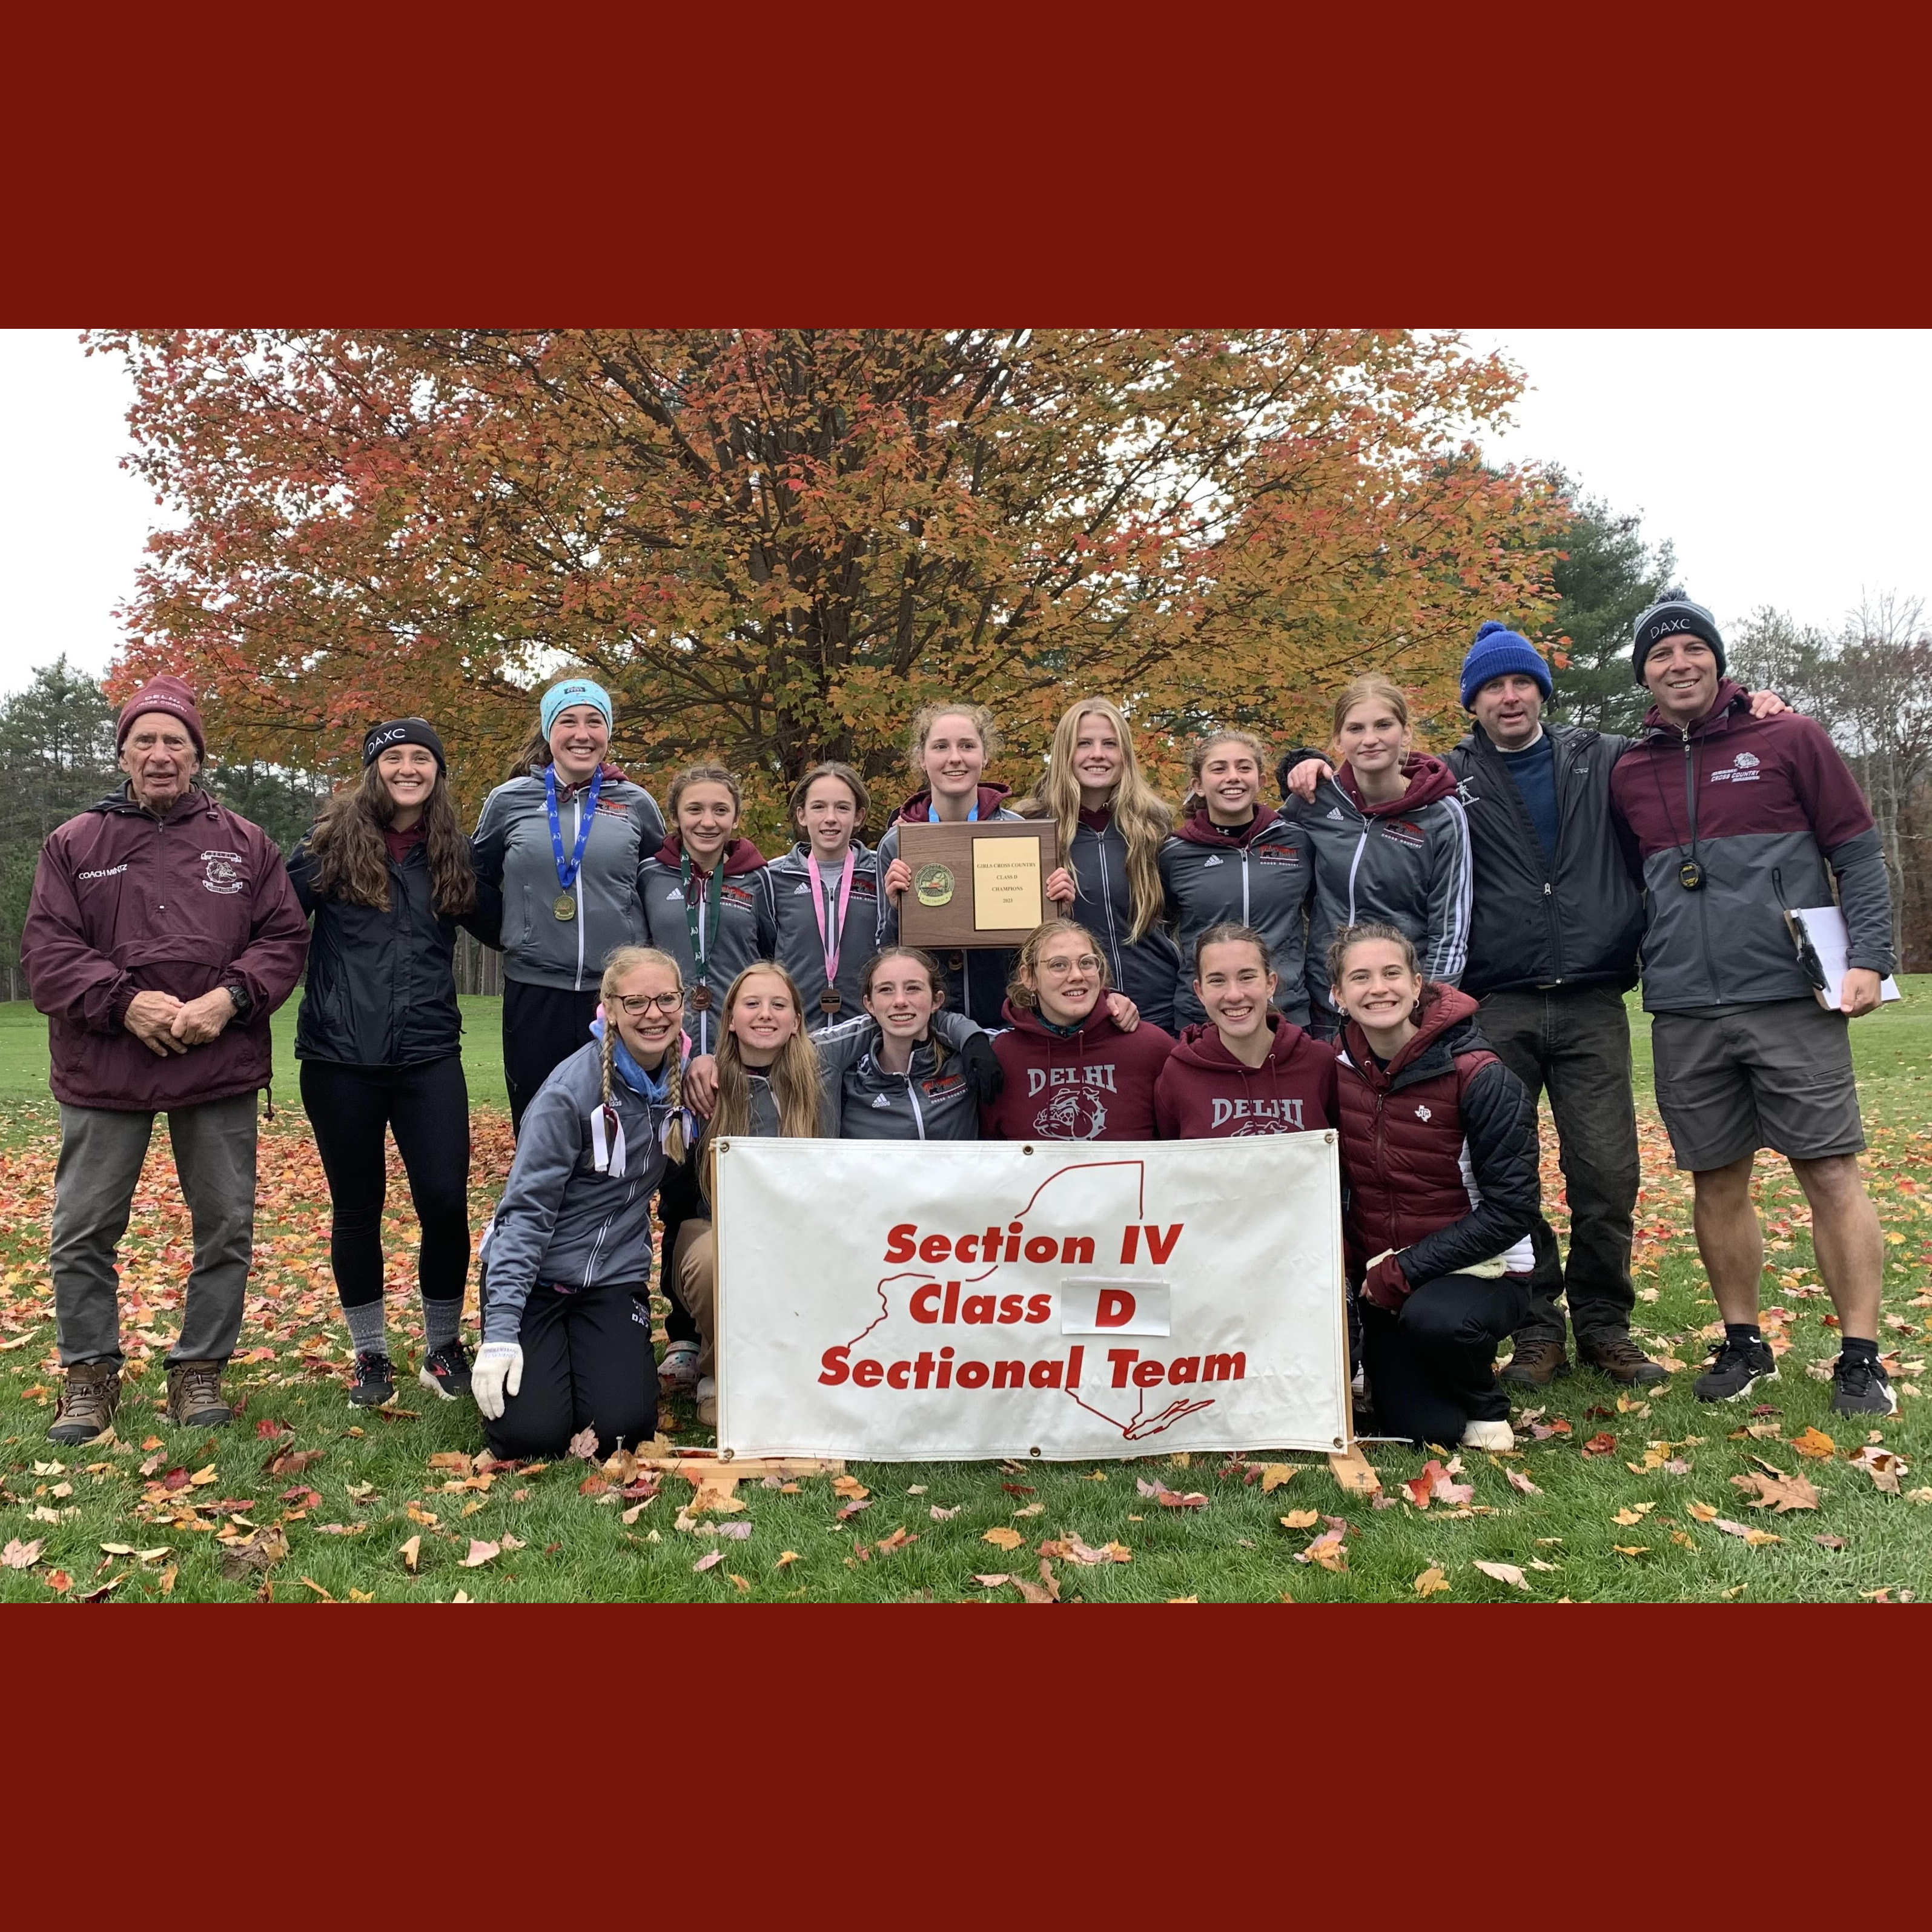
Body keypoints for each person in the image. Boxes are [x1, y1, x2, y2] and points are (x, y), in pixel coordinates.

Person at [1609, 594, 1897, 1416]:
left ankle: (1859, 1356)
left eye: (1692, 650)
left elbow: (1856, 850)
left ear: (1717, 660)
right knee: (1715, 1180)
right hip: (1684, 1008)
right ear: (1644, 675)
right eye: (1660, 656)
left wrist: (1870, 957)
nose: (1677, 665)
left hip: (1789, 995)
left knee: (1830, 1171)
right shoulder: (1629, 769)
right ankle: (1743, 1343)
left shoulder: (1788, 736)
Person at [22, 676, 309, 1444]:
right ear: (121, 751)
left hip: (215, 1061)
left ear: (197, 756)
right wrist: (126, 1003)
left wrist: (229, 1000)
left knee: (226, 1224)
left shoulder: (246, 843)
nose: (159, 754)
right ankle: (88, 1374)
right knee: (83, 1228)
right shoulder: (75, 842)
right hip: (104, 1065)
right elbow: (47, 954)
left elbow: (283, 941)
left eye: (174, 741)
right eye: (144, 740)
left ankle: (200, 1370)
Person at [288, 717, 501, 1408]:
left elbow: (504, 928)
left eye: (421, 759)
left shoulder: (452, 853)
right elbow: (268, 922)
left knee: (443, 1202)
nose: (408, 769)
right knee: (358, 1208)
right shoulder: (327, 845)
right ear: (373, 769)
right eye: (394, 758)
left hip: (428, 1054)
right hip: (338, 1057)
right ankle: (370, 1355)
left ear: (437, 771)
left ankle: (443, 1347)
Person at [472, 947, 692, 1457]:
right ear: (609, 1008)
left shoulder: (683, 1084)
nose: (653, 1014)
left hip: (611, 1280)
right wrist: (502, 1329)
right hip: (536, 1280)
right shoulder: (569, 1092)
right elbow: (525, 1214)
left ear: (683, 1004)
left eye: (666, 999)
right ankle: (520, 1348)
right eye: (635, 1002)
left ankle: (581, 1358)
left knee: (624, 1429)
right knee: (531, 1437)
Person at [1328, 922, 1539, 1451]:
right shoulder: (1334, 1068)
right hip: (1387, 1281)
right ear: (1338, 994)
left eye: (1392, 973)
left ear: (1419, 984)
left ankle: (1486, 1401)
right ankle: (1429, 1380)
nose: (1379, 988)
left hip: (1485, 1270)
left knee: (1439, 1322)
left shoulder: (1480, 1074)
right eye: (1361, 977)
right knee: (1422, 1430)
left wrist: (1404, 1270)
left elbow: (1513, 1210)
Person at [471, 677, 666, 1133]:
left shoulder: (635, 803)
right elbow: (473, 880)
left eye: (594, 722)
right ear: (548, 732)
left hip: (620, 995)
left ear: (608, 733)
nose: (582, 733)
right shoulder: (509, 800)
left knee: (621, 1127)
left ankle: (619, 1206)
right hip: (535, 990)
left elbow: (661, 884)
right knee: (541, 1124)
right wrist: (512, 934)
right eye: (568, 721)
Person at [658, 963, 832, 1427]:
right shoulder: (704, 1085)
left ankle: (808, 1368)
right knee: (716, 1258)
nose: (765, 1015)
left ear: (797, 1019)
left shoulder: (822, 1069)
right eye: (751, 1004)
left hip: (802, 1230)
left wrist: (970, 1036)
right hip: (718, 1227)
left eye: (779, 1005)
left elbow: (897, 1016)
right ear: (730, 1018)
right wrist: (697, 1060)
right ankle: (721, 1373)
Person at [1276, 675, 1471, 1038]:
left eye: (1383, 725)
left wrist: (1429, 1006)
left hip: (1401, 1008)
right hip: (1326, 1002)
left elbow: (1451, 927)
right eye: (1355, 728)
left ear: (1406, 732)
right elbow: (1261, 847)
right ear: (1338, 740)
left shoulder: (1442, 814)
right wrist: (1301, 764)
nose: (1370, 739)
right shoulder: (1315, 802)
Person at [877, 700, 1074, 1027]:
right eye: (941, 747)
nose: (955, 757)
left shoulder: (1021, 835)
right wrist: (899, 911)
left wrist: (1061, 912)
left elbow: (1046, 946)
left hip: (1009, 1021)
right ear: (922, 759)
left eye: (967, 746)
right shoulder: (897, 843)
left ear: (985, 756)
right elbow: (884, 953)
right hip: (929, 1028)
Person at [1016, 696, 1181, 1031]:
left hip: (1157, 1006)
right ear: (1065, 753)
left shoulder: (1155, 826)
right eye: (1084, 744)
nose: (1098, 754)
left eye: (1110, 744)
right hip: (1073, 1011)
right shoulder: (1028, 827)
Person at [1158, 730, 1312, 1030]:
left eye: (1244, 767)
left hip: (1286, 1010)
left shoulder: (1297, 841)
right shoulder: (1174, 853)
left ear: (1261, 780)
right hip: (1202, 1016)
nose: (1233, 777)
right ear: (1198, 786)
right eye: (1219, 769)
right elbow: (1159, 931)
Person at [979, 920, 1173, 1140]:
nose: (1076, 976)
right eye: (1058, 965)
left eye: (1087, 963)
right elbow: (987, 1153)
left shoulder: (1150, 1047)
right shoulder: (1003, 1057)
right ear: (1029, 977)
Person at [638, 763, 773, 1057]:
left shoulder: (758, 877)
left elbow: (772, 957)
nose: (708, 822)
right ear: (675, 816)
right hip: (666, 1038)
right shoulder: (649, 875)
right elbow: (637, 954)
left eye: (721, 810)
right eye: (695, 809)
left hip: (739, 1041)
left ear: (736, 818)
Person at [1154, 924, 1337, 1138]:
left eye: (1247, 977)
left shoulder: (1320, 1063)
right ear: (1200, 991)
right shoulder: (1179, 1074)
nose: (1234, 995)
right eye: (1217, 981)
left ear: (1270, 984)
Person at [816, 945, 1003, 1138]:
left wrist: (971, 1038)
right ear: (869, 1004)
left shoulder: (964, 1060)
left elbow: (1025, 1040)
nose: (900, 1001)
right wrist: (888, 1019)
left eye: (913, 988)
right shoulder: (851, 1079)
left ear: (936, 1001)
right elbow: (810, 1047)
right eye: (886, 990)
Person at [763, 762, 883, 1033]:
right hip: (795, 1033)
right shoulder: (773, 877)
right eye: (819, 807)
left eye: (842, 807)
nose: (831, 818)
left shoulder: (880, 873)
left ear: (859, 816)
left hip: (868, 1030)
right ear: (802, 815)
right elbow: (762, 951)